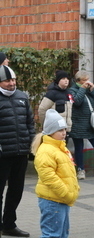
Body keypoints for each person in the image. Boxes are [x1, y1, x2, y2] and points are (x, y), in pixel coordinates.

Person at [31, 109, 80, 238]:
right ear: (51, 132)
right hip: (53, 200)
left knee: (62, 234)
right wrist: (65, 192)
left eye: (64, 129)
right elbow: (48, 177)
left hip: (61, 199)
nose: (64, 133)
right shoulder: (47, 150)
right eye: (60, 130)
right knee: (52, 234)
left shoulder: (60, 147)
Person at [0, 65, 35, 237]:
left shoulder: (22, 96)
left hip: (20, 152)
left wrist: (31, 142)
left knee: (16, 190)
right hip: (2, 154)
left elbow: (30, 122)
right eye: (7, 80)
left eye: (13, 80)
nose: (11, 83)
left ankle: (9, 224)